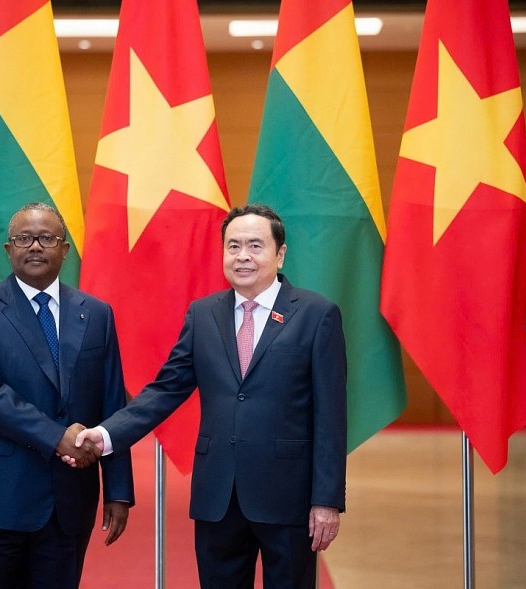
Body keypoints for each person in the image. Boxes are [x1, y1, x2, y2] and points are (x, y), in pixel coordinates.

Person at [67, 204, 347, 589]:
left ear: (279, 254)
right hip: (218, 498)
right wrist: (107, 434)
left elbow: (331, 416)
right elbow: (166, 390)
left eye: (255, 245)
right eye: (233, 246)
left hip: (289, 498)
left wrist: (327, 500)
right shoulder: (203, 315)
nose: (243, 256)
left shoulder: (317, 315)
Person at [0, 202, 134, 589]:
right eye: (23, 238)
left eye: (46, 238)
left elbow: (113, 402)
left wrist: (119, 489)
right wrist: (57, 436)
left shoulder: (97, 314)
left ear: (64, 249)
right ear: (8, 250)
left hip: (68, 502)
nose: (34, 246)